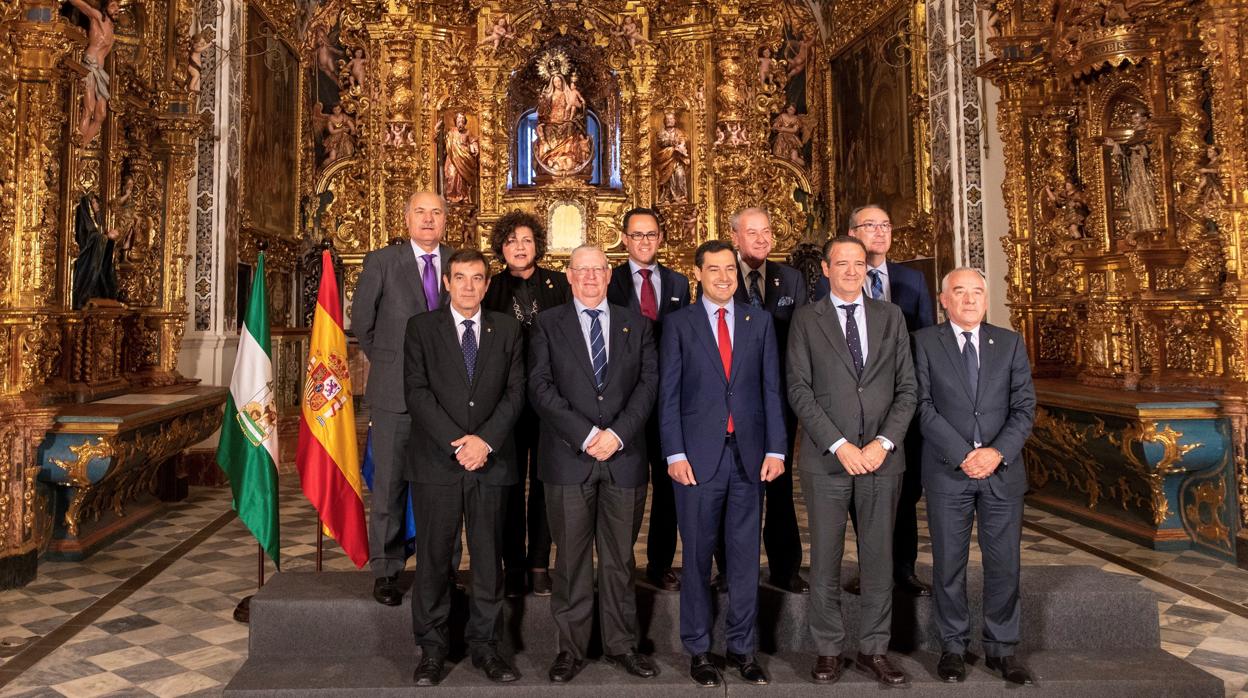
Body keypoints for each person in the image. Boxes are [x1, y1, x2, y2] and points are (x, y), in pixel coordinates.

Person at [787, 235, 917, 687]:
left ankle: (874, 650)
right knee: (824, 559)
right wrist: (840, 445)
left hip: (882, 460)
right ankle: (827, 650)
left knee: (878, 560)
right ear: (825, 269)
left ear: (868, 268)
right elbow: (799, 390)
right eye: (841, 263)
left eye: (858, 263)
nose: (850, 271)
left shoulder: (891, 316)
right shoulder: (806, 319)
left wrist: (883, 443)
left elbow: (908, 390)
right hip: (828, 461)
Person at [528, 245, 658, 683]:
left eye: (597, 270)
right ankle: (571, 649)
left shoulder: (635, 324)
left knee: (621, 559)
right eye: (580, 270)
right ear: (568, 275)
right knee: (571, 559)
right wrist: (586, 436)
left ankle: (622, 646)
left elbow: (647, 384)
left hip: (624, 457)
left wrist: (617, 434)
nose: (589, 277)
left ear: (608, 275)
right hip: (569, 458)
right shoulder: (547, 325)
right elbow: (541, 388)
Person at [659, 240, 786, 687]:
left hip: (749, 458)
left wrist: (776, 449)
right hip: (696, 460)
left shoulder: (760, 322)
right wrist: (674, 453)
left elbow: (772, 390)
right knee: (695, 557)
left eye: (730, 269)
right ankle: (698, 649)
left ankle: (742, 648)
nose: (724, 277)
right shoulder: (678, 324)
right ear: (697, 274)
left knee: (745, 558)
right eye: (713, 269)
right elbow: (668, 395)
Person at [404, 249, 526, 686]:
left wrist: (485, 442)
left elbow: (516, 393)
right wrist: (459, 444)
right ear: (447, 283)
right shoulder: (421, 328)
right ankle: (432, 650)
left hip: (491, 463)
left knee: (489, 561)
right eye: (460, 278)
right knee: (435, 560)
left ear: (487, 284)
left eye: (477, 278)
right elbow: (416, 393)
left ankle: (486, 648)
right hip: (437, 461)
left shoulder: (508, 329)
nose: (469, 286)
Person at [913, 268, 1036, 685]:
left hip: (1002, 471)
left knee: (1004, 564)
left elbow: (1024, 407)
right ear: (943, 299)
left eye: (977, 292)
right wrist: (965, 454)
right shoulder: (925, 342)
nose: (969, 300)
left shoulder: (1009, 343)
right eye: (959, 292)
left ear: (987, 298)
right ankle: (953, 645)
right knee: (949, 564)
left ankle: (1003, 648)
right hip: (950, 471)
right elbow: (922, 405)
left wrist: (996, 453)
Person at [814, 204, 936, 597]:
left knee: (903, 492)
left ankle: (902, 569)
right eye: (870, 225)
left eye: (886, 225)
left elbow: (925, 342)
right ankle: (869, 570)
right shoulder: (830, 287)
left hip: (898, 408)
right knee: (856, 502)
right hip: (847, 417)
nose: (880, 232)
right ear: (851, 233)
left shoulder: (912, 280)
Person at [351, 191, 454, 606]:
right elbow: (363, 322)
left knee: (445, 486)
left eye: (436, 213)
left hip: (449, 397)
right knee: (390, 484)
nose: (428, 220)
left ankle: (444, 567)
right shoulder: (382, 261)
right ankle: (387, 570)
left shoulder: (459, 261)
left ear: (446, 219)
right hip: (394, 394)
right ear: (407, 216)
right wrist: (393, 363)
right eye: (421, 212)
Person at [482, 211, 571, 598]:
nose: (519, 247)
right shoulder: (491, 287)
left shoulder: (557, 284)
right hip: (503, 401)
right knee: (508, 485)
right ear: (501, 247)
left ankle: (538, 565)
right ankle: (512, 565)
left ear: (537, 244)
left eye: (526, 240)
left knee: (544, 485)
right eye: (511, 240)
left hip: (550, 400)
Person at [606, 208, 690, 593]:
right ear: (624, 239)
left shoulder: (679, 282)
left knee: (668, 484)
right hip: (624, 399)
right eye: (637, 235)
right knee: (627, 484)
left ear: (660, 238)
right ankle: (617, 563)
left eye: (651, 234)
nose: (644, 241)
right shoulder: (609, 280)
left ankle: (659, 562)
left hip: (668, 398)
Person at [728, 207, 808, 594]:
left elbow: (802, 339)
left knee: (778, 485)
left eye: (767, 232)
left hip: (779, 399)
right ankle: (729, 570)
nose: (761, 239)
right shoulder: (723, 277)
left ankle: (785, 568)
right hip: (735, 399)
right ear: (735, 238)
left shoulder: (790, 278)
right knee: (734, 483)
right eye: (752, 232)